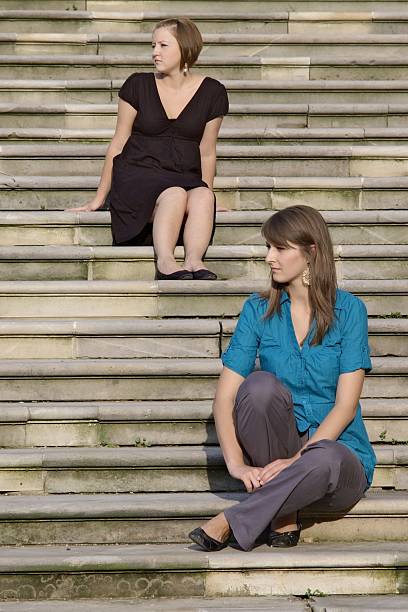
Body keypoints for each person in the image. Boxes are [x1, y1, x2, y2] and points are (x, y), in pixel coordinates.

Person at [189, 205, 377, 552]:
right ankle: (282, 513)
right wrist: (236, 463)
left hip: (337, 461)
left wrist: (297, 461)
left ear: (311, 253)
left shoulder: (350, 311)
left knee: (324, 456)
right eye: (268, 247)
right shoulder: (257, 310)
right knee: (258, 387)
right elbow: (225, 398)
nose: (268, 257)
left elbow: (346, 406)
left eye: (280, 248)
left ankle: (234, 520)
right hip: (275, 454)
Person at [71, 17, 229, 280]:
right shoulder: (137, 85)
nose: (155, 52)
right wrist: (98, 199)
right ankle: (166, 261)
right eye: (153, 45)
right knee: (175, 194)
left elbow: (207, 151)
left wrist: (208, 193)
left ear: (185, 48)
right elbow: (119, 142)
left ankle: (194, 261)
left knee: (201, 198)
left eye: (163, 45)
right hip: (138, 173)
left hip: (183, 174)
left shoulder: (213, 92)